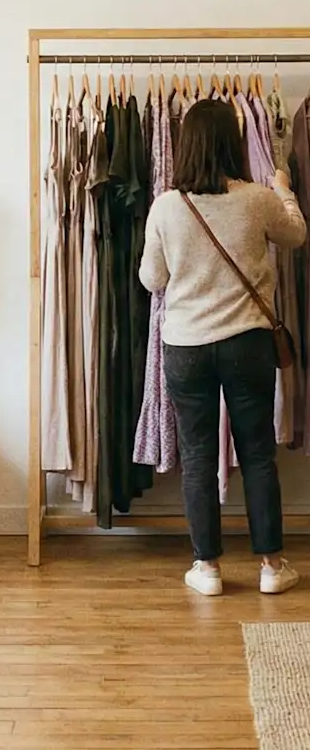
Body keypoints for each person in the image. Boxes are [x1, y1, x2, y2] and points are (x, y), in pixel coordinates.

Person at [139, 98, 306, 596]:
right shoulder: (256, 198)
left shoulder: (167, 206)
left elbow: (152, 278)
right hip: (248, 343)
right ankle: (272, 566)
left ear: (186, 145)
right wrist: (285, 191)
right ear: (233, 144)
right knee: (257, 454)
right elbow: (296, 235)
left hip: (187, 347)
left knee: (197, 455)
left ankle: (207, 568)